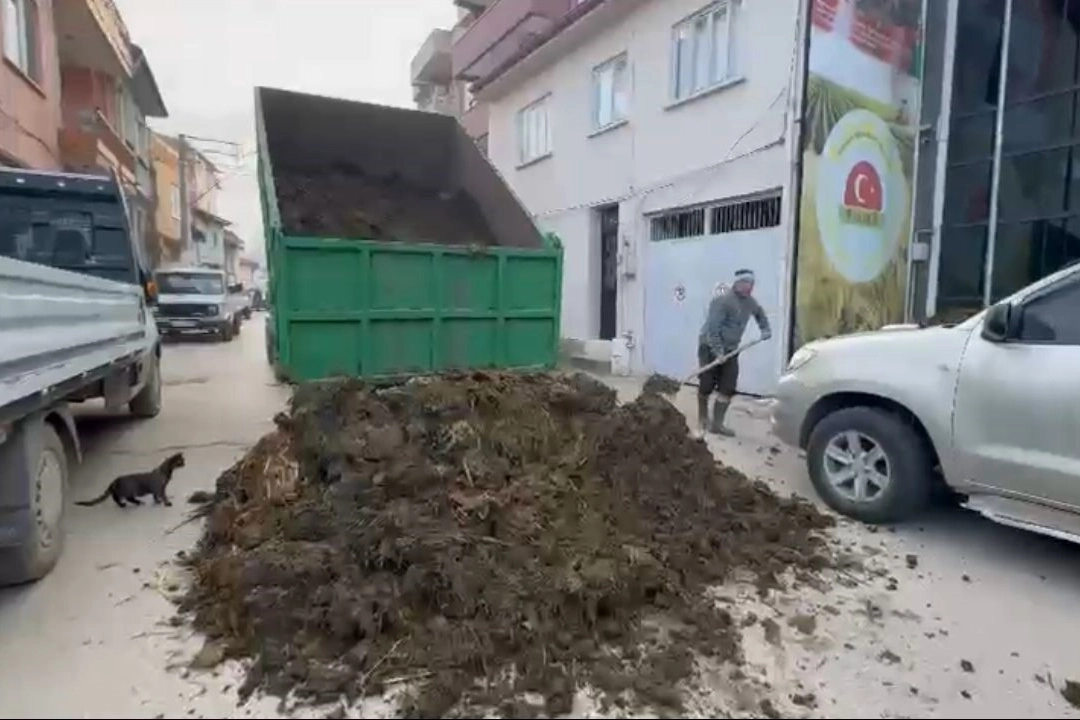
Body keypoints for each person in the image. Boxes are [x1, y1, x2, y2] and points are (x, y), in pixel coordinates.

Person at [696, 268, 771, 436]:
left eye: (751, 284)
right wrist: (718, 352)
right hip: (709, 346)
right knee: (707, 384)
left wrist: (765, 329)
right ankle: (702, 418)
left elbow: (760, 314)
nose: (749, 287)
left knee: (728, 387)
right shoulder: (722, 301)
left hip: (731, 349)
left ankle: (717, 424)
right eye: (745, 283)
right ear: (737, 283)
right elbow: (712, 330)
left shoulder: (750, 302)